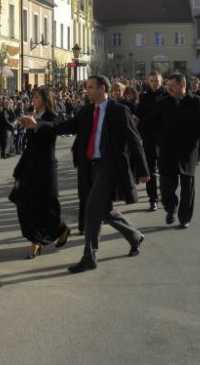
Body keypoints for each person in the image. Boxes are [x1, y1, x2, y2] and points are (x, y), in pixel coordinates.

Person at [20, 75, 150, 273]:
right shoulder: (87, 111)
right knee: (104, 211)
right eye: (86, 87)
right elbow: (65, 127)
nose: (86, 91)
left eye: (90, 87)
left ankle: (90, 257)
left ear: (102, 88)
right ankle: (134, 236)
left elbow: (134, 140)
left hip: (109, 167)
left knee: (91, 210)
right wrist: (38, 125)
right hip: (89, 167)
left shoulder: (118, 111)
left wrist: (142, 169)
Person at [144, 72, 200, 229]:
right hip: (168, 150)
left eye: (171, 86)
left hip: (189, 151)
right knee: (166, 187)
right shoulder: (163, 103)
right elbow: (152, 122)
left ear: (182, 85)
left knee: (187, 187)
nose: (168, 88)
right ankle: (170, 207)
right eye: (167, 86)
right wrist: (136, 122)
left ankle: (184, 217)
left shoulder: (197, 102)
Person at [11, 87, 71, 259]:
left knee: (47, 205)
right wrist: (24, 123)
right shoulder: (33, 115)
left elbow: (52, 130)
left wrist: (36, 125)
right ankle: (37, 238)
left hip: (45, 167)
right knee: (23, 203)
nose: (33, 100)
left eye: (36, 97)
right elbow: (30, 145)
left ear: (45, 100)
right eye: (33, 97)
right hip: (29, 166)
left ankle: (46, 237)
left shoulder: (52, 117)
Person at [135, 70, 167, 212]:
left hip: (164, 140)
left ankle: (166, 197)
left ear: (162, 81)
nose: (154, 83)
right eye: (152, 81)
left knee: (165, 171)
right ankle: (153, 199)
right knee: (150, 172)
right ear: (148, 82)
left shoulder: (167, 95)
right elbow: (138, 117)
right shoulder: (144, 97)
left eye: (157, 81)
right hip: (149, 139)